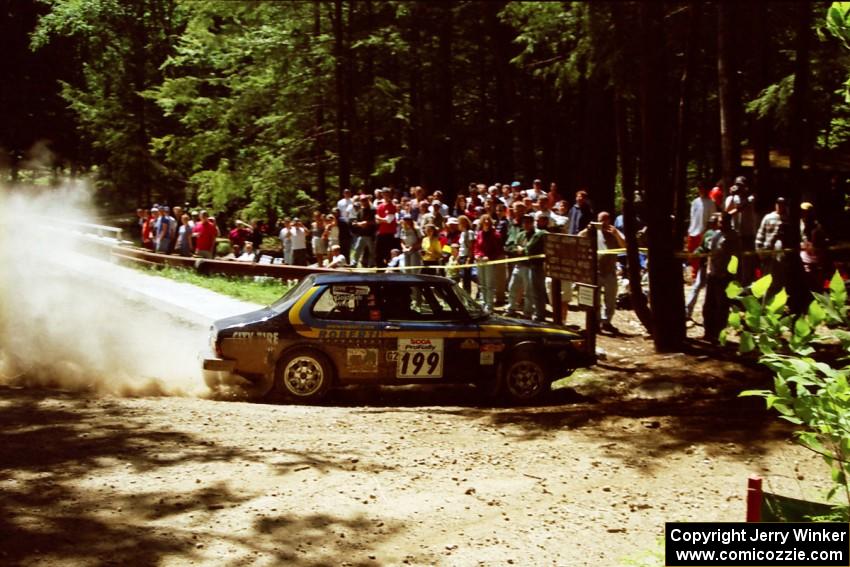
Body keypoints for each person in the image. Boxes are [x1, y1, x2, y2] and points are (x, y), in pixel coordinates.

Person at [579, 212, 626, 333]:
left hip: (610, 271)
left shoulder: (614, 231)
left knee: (610, 299)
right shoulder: (593, 231)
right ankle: (596, 321)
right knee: (595, 299)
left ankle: (606, 322)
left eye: (605, 220)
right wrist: (587, 229)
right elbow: (578, 238)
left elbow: (624, 245)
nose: (603, 222)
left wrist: (616, 234)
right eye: (601, 220)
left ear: (609, 220)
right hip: (596, 271)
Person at [703, 213, 741, 343]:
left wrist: (727, 273)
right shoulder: (715, 235)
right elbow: (710, 253)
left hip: (724, 276)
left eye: (721, 221)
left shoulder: (732, 236)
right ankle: (708, 332)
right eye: (719, 221)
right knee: (708, 305)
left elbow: (735, 256)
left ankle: (720, 334)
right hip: (712, 274)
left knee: (722, 307)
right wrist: (708, 269)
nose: (719, 223)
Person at [685, 214, 720, 320]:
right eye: (711, 221)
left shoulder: (721, 235)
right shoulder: (708, 233)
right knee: (696, 287)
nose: (712, 223)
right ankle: (687, 310)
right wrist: (695, 254)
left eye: (714, 221)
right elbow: (702, 247)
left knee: (715, 292)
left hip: (717, 268)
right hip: (705, 266)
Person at [725, 176, 757, 284]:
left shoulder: (750, 198)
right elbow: (727, 212)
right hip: (736, 234)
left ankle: (747, 283)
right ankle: (735, 282)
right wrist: (732, 195)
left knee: (748, 261)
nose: (739, 188)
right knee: (735, 261)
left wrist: (740, 202)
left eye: (741, 186)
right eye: (737, 185)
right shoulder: (732, 198)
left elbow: (741, 208)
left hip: (748, 234)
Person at [755, 197, 790, 292]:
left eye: (782, 204)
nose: (780, 206)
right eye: (778, 203)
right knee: (768, 282)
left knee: (781, 283)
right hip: (769, 256)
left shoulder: (789, 219)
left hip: (783, 257)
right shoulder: (768, 217)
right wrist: (760, 252)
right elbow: (760, 236)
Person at [505, 214, 535, 319]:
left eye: (528, 222)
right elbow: (512, 247)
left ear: (532, 223)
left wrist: (522, 250)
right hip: (518, 264)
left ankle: (527, 313)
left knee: (528, 291)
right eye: (524, 222)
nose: (526, 224)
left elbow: (530, 250)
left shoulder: (535, 235)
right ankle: (511, 308)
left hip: (529, 266)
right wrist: (518, 249)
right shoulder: (520, 234)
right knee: (512, 287)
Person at [686, 182, 717, 279]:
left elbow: (712, 220)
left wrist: (707, 233)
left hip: (703, 232)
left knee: (701, 256)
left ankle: (699, 276)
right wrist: (689, 230)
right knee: (692, 255)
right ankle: (694, 275)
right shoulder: (695, 202)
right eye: (700, 188)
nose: (701, 190)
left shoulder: (711, 203)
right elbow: (692, 217)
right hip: (692, 232)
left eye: (703, 188)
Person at [474, 214, 503, 312]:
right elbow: (477, 247)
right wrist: (477, 255)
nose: (486, 223)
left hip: (489, 261)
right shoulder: (479, 233)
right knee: (481, 283)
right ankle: (483, 302)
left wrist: (489, 257)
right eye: (484, 221)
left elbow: (498, 249)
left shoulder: (495, 234)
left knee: (489, 283)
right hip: (480, 261)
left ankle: (489, 305)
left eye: (488, 221)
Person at [525, 212, 550, 322]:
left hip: (537, 265)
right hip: (536, 264)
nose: (536, 222)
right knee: (538, 290)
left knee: (538, 290)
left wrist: (524, 249)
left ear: (545, 221)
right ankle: (539, 312)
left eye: (538, 220)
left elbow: (529, 247)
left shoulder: (541, 233)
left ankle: (540, 314)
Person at [351, 195, 377, 267]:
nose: (364, 202)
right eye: (362, 200)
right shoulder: (360, 211)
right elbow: (357, 220)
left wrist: (367, 223)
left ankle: (372, 264)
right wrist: (356, 223)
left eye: (365, 200)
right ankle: (354, 263)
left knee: (372, 251)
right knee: (357, 249)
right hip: (361, 234)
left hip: (370, 234)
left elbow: (375, 221)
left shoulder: (372, 210)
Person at [375, 188, 398, 267]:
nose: (385, 195)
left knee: (388, 252)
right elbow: (377, 220)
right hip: (381, 232)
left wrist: (380, 218)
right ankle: (379, 269)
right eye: (384, 193)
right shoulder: (380, 206)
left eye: (387, 193)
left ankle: (388, 269)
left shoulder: (392, 206)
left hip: (389, 233)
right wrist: (382, 219)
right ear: (382, 194)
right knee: (378, 252)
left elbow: (389, 220)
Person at [457, 215, 475, 292]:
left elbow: (471, 247)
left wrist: (469, 259)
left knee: (466, 278)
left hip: (467, 257)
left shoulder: (470, 233)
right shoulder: (462, 233)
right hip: (461, 256)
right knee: (463, 277)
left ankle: (468, 294)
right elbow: (461, 246)